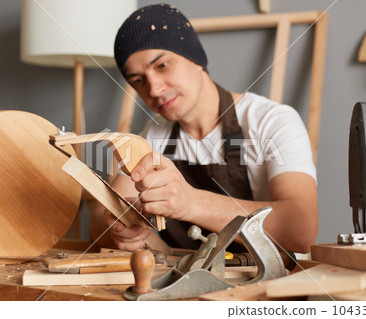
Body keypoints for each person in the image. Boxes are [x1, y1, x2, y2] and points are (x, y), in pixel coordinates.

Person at [88, 3, 318, 254]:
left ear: (195, 59)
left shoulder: (272, 121)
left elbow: (300, 230)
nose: (153, 89)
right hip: (183, 286)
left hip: (263, 287)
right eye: (138, 80)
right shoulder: (153, 136)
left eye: (162, 65)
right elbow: (99, 222)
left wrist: (190, 203)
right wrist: (118, 230)